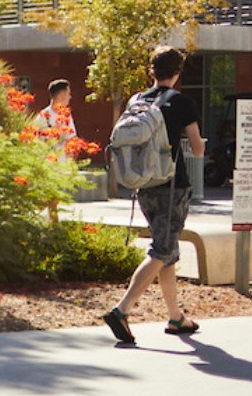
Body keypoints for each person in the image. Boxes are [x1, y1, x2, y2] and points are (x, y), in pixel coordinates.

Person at [103, 45, 204, 343]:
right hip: (173, 186)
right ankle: (121, 310)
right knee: (161, 250)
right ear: (177, 72)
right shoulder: (182, 102)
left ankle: (175, 317)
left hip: (143, 184)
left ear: (152, 71)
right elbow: (197, 149)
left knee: (167, 251)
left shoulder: (137, 101)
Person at [35, 78, 77, 144]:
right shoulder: (43, 116)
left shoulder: (66, 115)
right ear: (61, 95)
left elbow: (72, 138)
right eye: (68, 93)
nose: (70, 97)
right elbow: (36, 141)